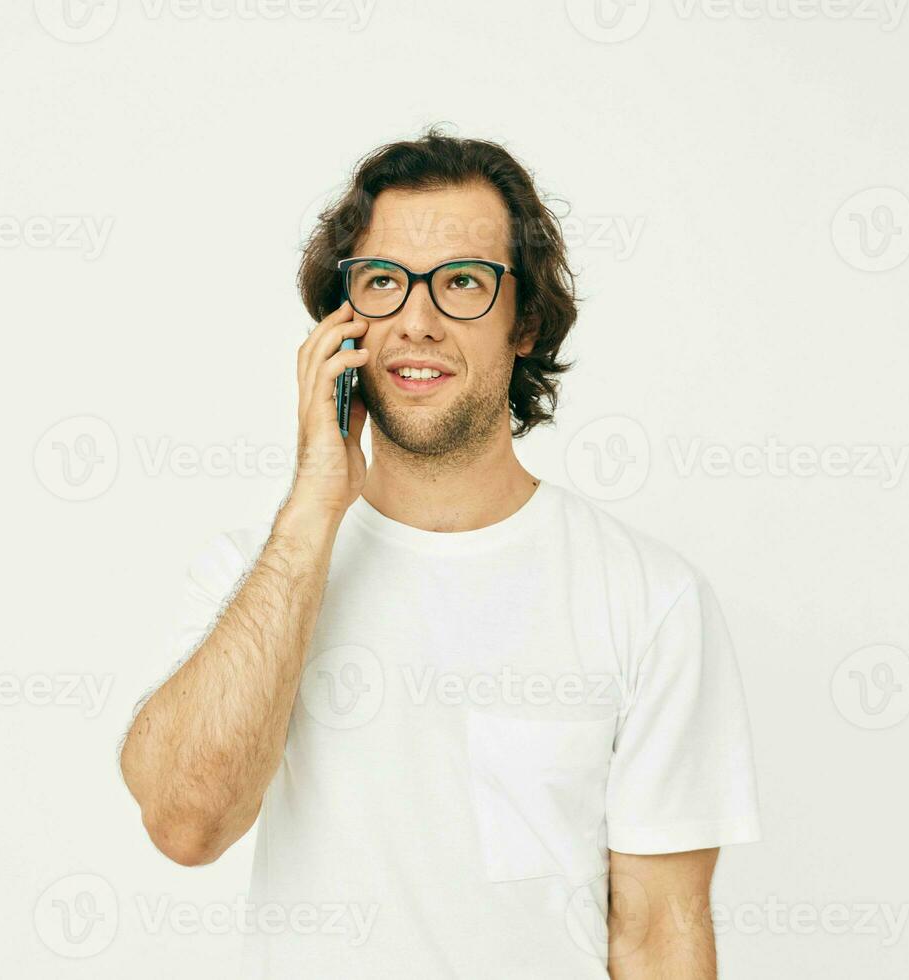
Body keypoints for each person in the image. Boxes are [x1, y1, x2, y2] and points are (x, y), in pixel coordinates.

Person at [119, 127, 761, 979]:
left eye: (462, 282)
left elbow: (657, 936)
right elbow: (184, 825)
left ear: (524, 321)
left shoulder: (647, 596)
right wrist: (315, 505)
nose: (415, 321)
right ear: (341, 322)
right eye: (383, 283)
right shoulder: (257, 575)